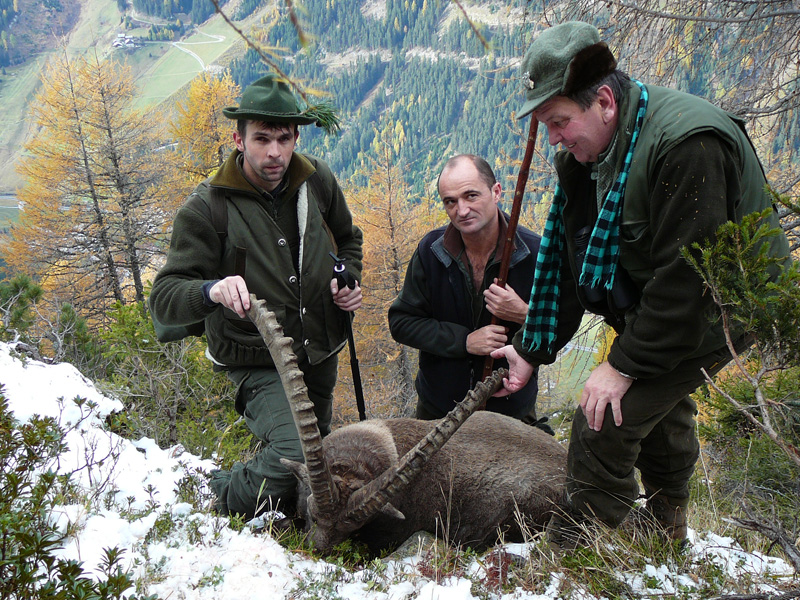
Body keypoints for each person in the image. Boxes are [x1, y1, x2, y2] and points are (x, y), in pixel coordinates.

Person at [491, 22, 791, 549]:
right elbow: (569, 263)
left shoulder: (687, 145)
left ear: (604, 101)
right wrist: (530, 350)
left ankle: (575, 556)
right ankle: (665, 532)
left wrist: (622, 364)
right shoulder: (585, 160)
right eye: (546, 125)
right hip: (662, 298)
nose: (554, 138)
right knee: (653, 405)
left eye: (559, 122)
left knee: (602, 418)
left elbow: (691, 285)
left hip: (724, 302)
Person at [149, 74, 363, 519]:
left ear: (295, 138)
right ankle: (221, 496)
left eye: (284, 139)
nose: (274, 152)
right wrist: (211, 290)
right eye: (261, 139)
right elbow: (165, 297)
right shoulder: (208, 207)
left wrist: (348, 280)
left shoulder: (317, 180)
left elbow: (348, 239)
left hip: (320, 350)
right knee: (295, 452)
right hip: (256, 358)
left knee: (314, 462)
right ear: (238, 139)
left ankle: (297, 527)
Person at [388, 154, 546, 425]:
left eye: (471, 196)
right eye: (450, 201)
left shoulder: (532, 253)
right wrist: (464, 341)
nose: (461, 210)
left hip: (510, 414)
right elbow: (402, 322)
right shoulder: (431, 251)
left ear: (496, 192)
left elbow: (559, 329)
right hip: (438, 414)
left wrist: (525, 314)